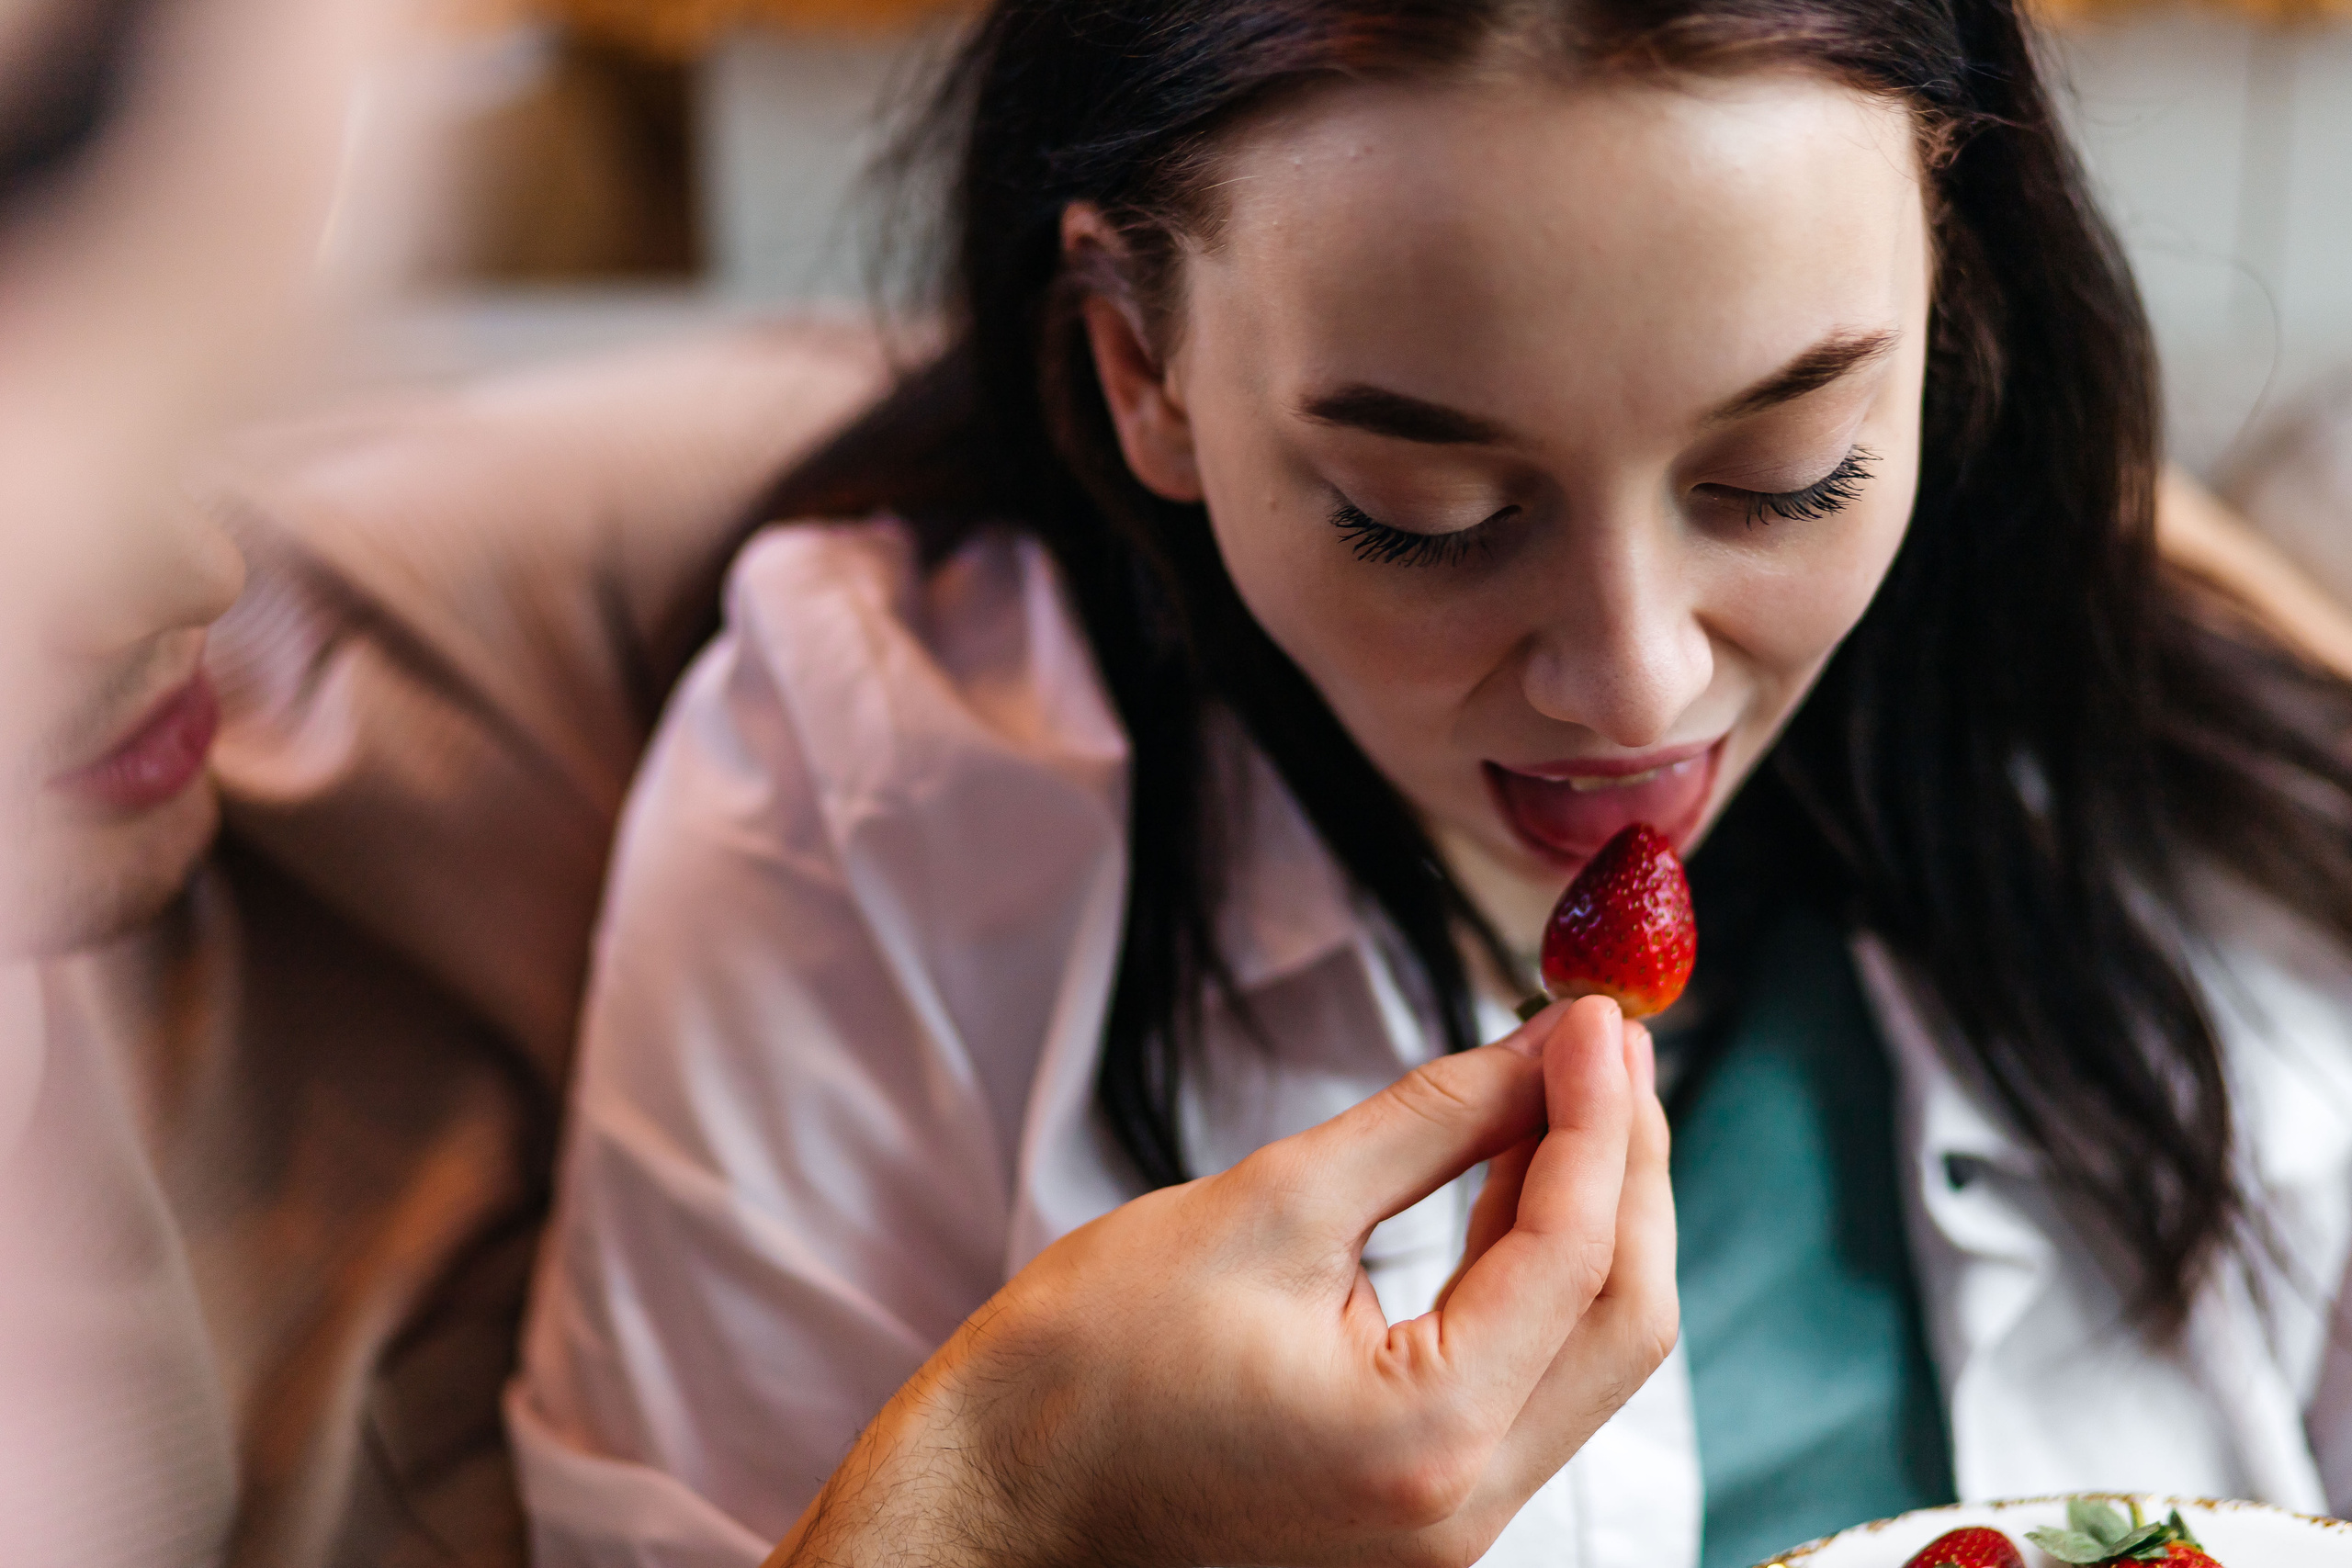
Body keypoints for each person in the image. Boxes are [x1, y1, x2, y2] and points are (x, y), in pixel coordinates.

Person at [509, 2, 2352, 1567]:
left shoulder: (2188, 756)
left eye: (1788, 472)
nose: (1634, 682)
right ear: (1143, 367)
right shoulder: (865, 798)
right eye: (1428, 514)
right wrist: (1002, 1479)